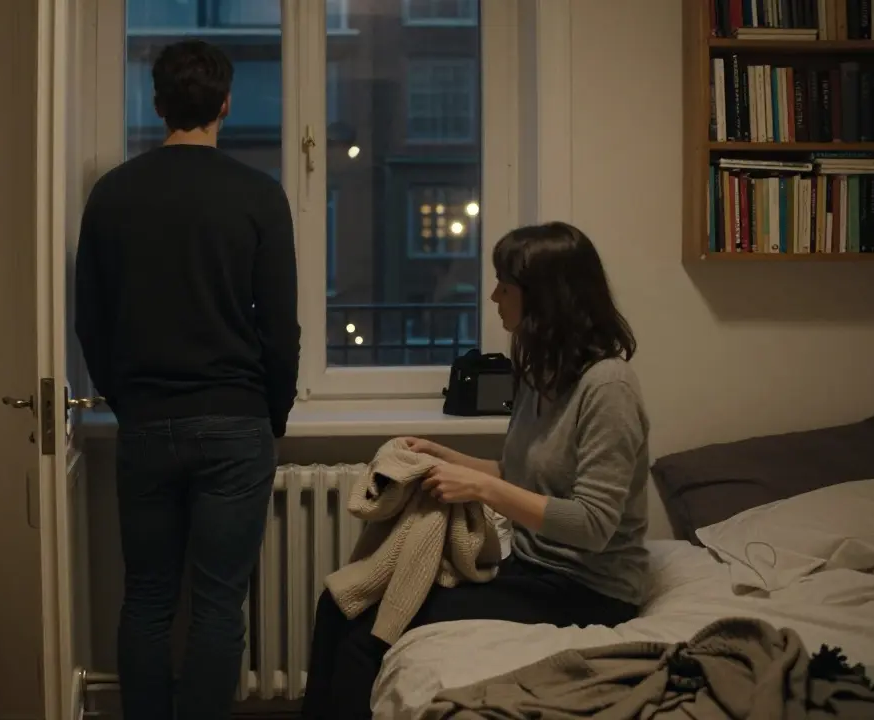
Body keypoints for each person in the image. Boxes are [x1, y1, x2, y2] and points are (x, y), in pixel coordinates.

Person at [300, 221, 650, 720]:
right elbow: (519, 473)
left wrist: (480, 487)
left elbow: (593, 526)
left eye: (504, 286)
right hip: (532, 567)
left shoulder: (608, 387)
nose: (492, 296)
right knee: (338, 604)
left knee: (367, 637)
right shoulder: (540, 373)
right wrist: (446, 458)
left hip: (588, 590)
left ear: (545, 298)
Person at [74, 40, 300, 720]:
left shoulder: (112, 194)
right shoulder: (258, 196)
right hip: (235, 423)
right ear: (226, 104)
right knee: (217, 603)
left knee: (146, 596)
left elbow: (91, 320)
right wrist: (273, 415)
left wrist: (129, 398)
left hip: (146, 423)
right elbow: (279, 326)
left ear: (158, 103)